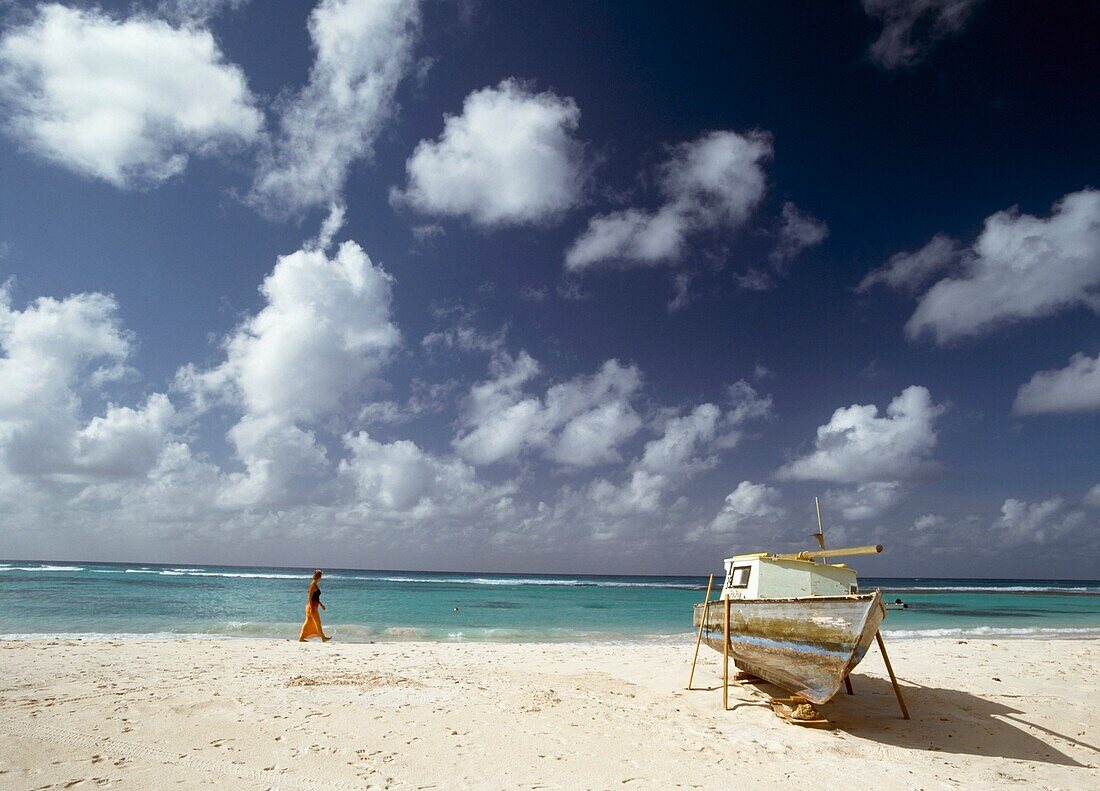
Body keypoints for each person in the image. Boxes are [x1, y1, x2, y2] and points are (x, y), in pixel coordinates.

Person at [299, 569, 331, 642]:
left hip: (313, 605)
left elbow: (315, 597)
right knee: (317, 622)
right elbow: (310, 597)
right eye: (321, 576)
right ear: (319, 577)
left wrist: (321, 604)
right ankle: (323, 637)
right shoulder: (313, 585)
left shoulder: (314, 584)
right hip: (311, 606)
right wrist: (311, 607)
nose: (321, 577)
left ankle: (301, 637)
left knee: (308, 622)